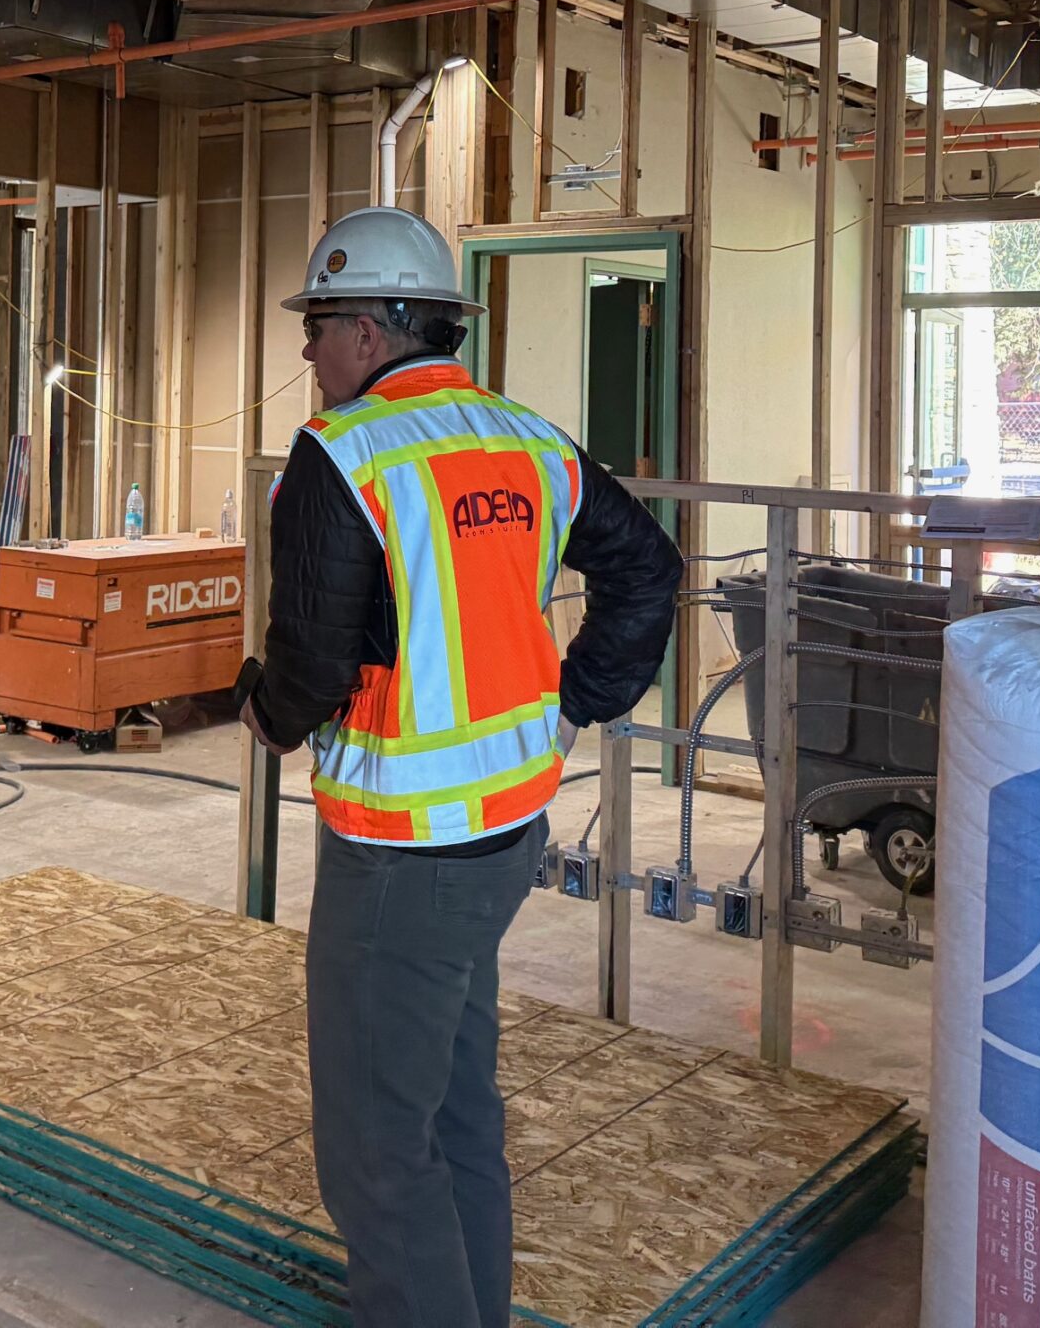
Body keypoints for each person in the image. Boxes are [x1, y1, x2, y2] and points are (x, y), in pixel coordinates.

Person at [246, 206, 679, 1328]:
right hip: (504, 832)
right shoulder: (525, 440)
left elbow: (309, 664)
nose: (308, 350)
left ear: (371, 331)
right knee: (451, 1109)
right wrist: (573, 705)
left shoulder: (344, 454)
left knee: (376, 1151)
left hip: (400, 851)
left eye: (318, 325)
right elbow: (649, 568)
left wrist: (264, 715)